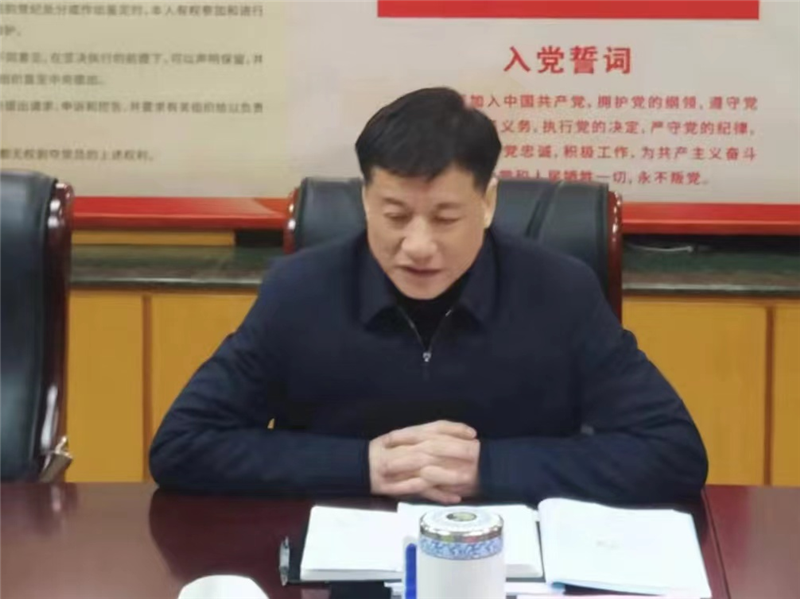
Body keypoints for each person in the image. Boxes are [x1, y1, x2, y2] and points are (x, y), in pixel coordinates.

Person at [150, 87, 707, 505]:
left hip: (512, 562)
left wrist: (486, 468)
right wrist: (364, 466)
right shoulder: (300, 291)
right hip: (341, 560)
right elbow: (182, 445)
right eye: (395, 215)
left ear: (487, 203)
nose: (418, 246)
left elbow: (673, 452)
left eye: (445, 218)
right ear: (366, 200)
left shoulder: (559, 291)